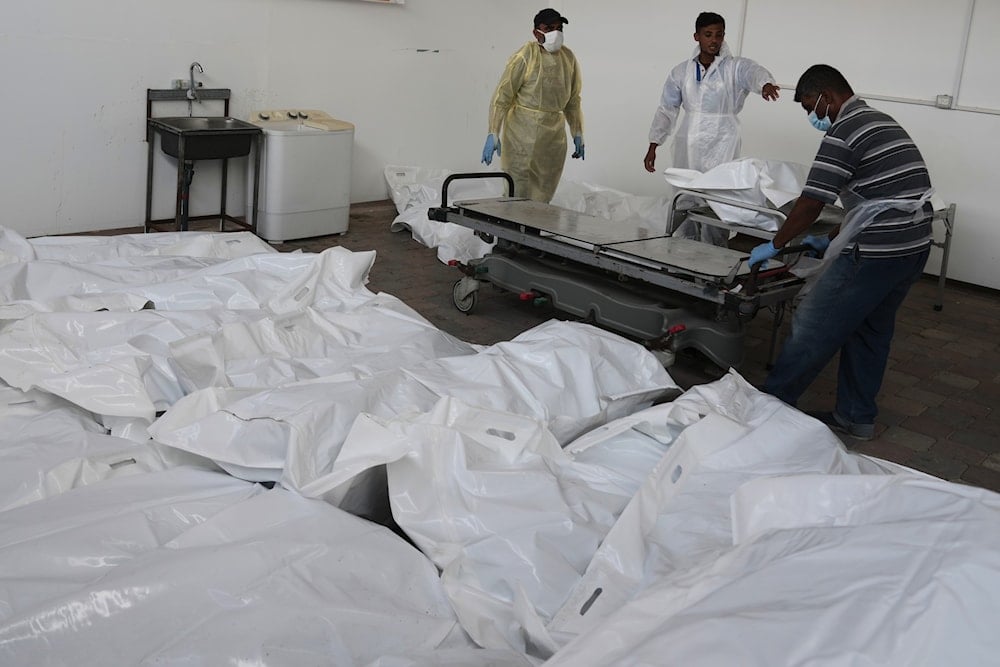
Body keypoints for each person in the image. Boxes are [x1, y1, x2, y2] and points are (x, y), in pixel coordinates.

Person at [748, 64, 935, 441]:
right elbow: (873, 199)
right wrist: (831, 238)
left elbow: (811, 202)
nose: (812, 117)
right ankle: (855, 417)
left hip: (878, 250)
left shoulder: (844, 131)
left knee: (813, 323)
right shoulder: (879, 120)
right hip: (912, 246)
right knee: (870, 329)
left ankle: (770, 408)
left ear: (827, 97)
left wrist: (775, 243)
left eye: (809, 108)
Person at [643, 12, 779, 244]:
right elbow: (667, 109)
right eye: (708, 35)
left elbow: (752, 72)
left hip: (723, 140)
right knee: (685, 196)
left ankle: (715, 254)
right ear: (696, 36)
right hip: (689, 142)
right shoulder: (681, 72)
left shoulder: (733, 68)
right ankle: (681, 252)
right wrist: (654, 144)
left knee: (719, 197)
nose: (714, 40)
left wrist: (764, 83)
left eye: (719, 35)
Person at [481, 8, 584, 203]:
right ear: (536, 32)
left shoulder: (568, 58)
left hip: (553, 137)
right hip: (522, 134)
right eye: (549, 28)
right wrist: (493, 131)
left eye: (559, 28)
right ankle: (509, 231)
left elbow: (573, 101)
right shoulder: (525, 56)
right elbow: (502, 96)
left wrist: (577, 132)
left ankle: (533, 230)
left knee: (545, 188)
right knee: (518, 187)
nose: (556, 33)